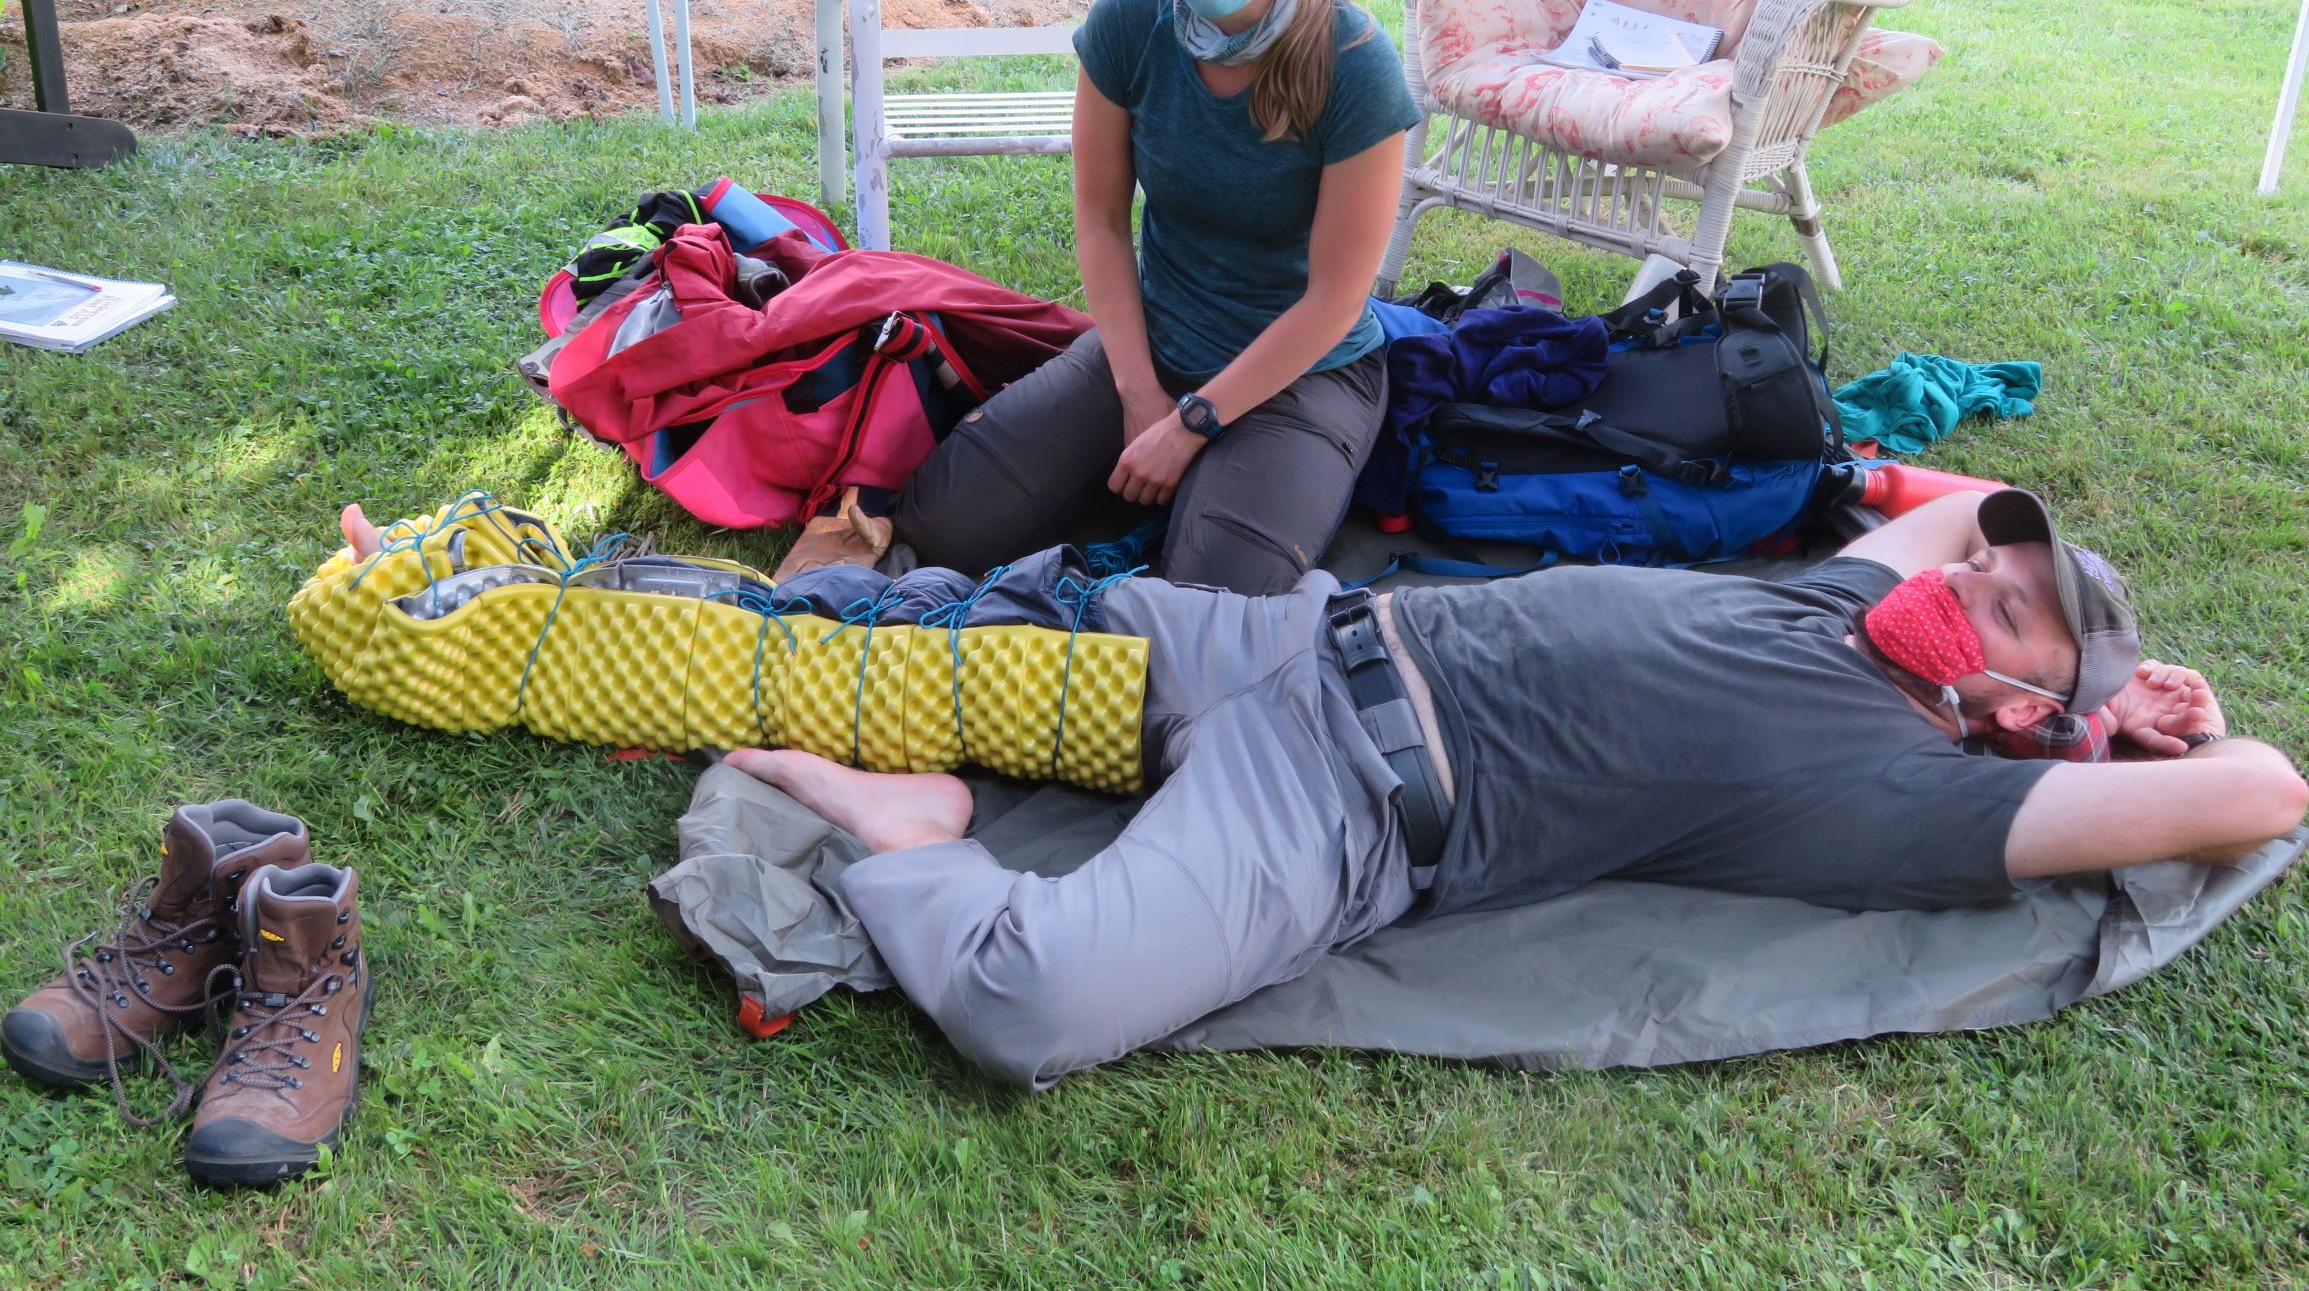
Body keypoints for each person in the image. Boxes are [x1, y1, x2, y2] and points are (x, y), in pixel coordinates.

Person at [725, 489, 2307, 1089]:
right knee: (904, 625)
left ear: (2026, 708)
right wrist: (1992, 571)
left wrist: (2148, 729)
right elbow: (1956, 502)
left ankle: (911, 832)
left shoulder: (1919, 790)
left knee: (1032, 1004)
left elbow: (2269, 792)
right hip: (1303, 633)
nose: (1973, 579)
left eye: (2011, 610)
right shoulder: (1843, 603)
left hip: (1344, 796)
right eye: (1996, 571)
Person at [891, 0, 1424, 596]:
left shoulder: (1354, 63)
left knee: (1208, 604)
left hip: (1300, 371)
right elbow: (1101, 223)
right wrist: (1140, 394)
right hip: (1155, 339)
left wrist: (1193, 422)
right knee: (939, 525)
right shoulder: (1127, 26)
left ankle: (1234, 489)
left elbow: (1335, 300)